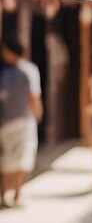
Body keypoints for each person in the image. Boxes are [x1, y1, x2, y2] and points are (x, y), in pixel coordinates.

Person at [0, 38, 42, 208]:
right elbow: (34, 95)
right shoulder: (20, 71)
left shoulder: (14, 72)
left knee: (11, 159)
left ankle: (11, 195)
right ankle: (13, 195)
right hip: (18, 120)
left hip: (14, 120)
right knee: (18, 158)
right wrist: (37, 113)